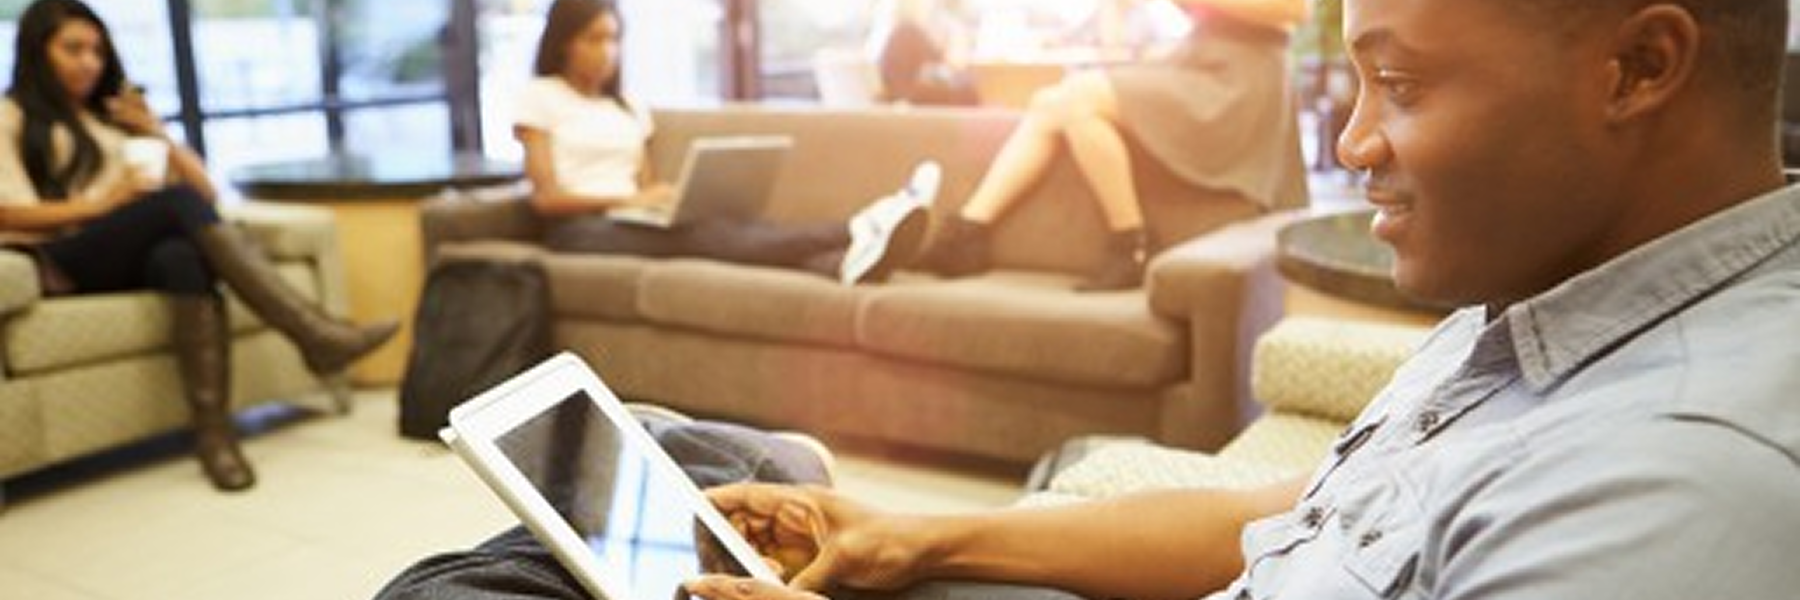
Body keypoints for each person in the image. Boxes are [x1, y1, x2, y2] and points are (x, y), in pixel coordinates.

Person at [377, 0, 1800, 597]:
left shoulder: (1679, 489)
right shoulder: (1541, 308)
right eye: (1355, 78)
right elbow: (1293, 522)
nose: (1353, 143)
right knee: (728, 463)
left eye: (1403, 85)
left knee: (503, 583)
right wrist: (923, 539)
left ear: (1638, 68)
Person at [0, 0, 399, 491]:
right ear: (38, 51)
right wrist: (107, 202)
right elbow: (8, 212)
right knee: (175, 204)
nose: (89, 62)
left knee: (182, 257)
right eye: (73, 49)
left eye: (97, 51)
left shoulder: (111, 118)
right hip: (61, 260)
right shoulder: (12, 114)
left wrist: (154, 131)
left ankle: (215, 438)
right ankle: (314, 335)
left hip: (122, 254)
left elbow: (207, 194)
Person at [518, 0, 934, 286]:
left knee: (743, 228)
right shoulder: (540, 96)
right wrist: (629, 199)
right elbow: (546, 199)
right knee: (703, 238)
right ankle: (862, 225)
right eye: (594, 39)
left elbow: (645, 183)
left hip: (630, 219)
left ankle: (843, 263)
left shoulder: (627, 105)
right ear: (564, 41)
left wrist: (659, 200)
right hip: (577, 231)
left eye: (613, 39)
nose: (607, 52)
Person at [915, 0, 1310, 291]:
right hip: (1194, 56)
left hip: (1242, 76)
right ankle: (967, 233)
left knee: (1077, 97)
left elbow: (1296, 11)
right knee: (1051, 104)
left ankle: (1131, 242)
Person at [866, 0, 980, 106]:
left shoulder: (918, 33)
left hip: (918, 94)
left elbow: (953, 66)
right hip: (911, 95)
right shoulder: (907, 33)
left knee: (965, 90)